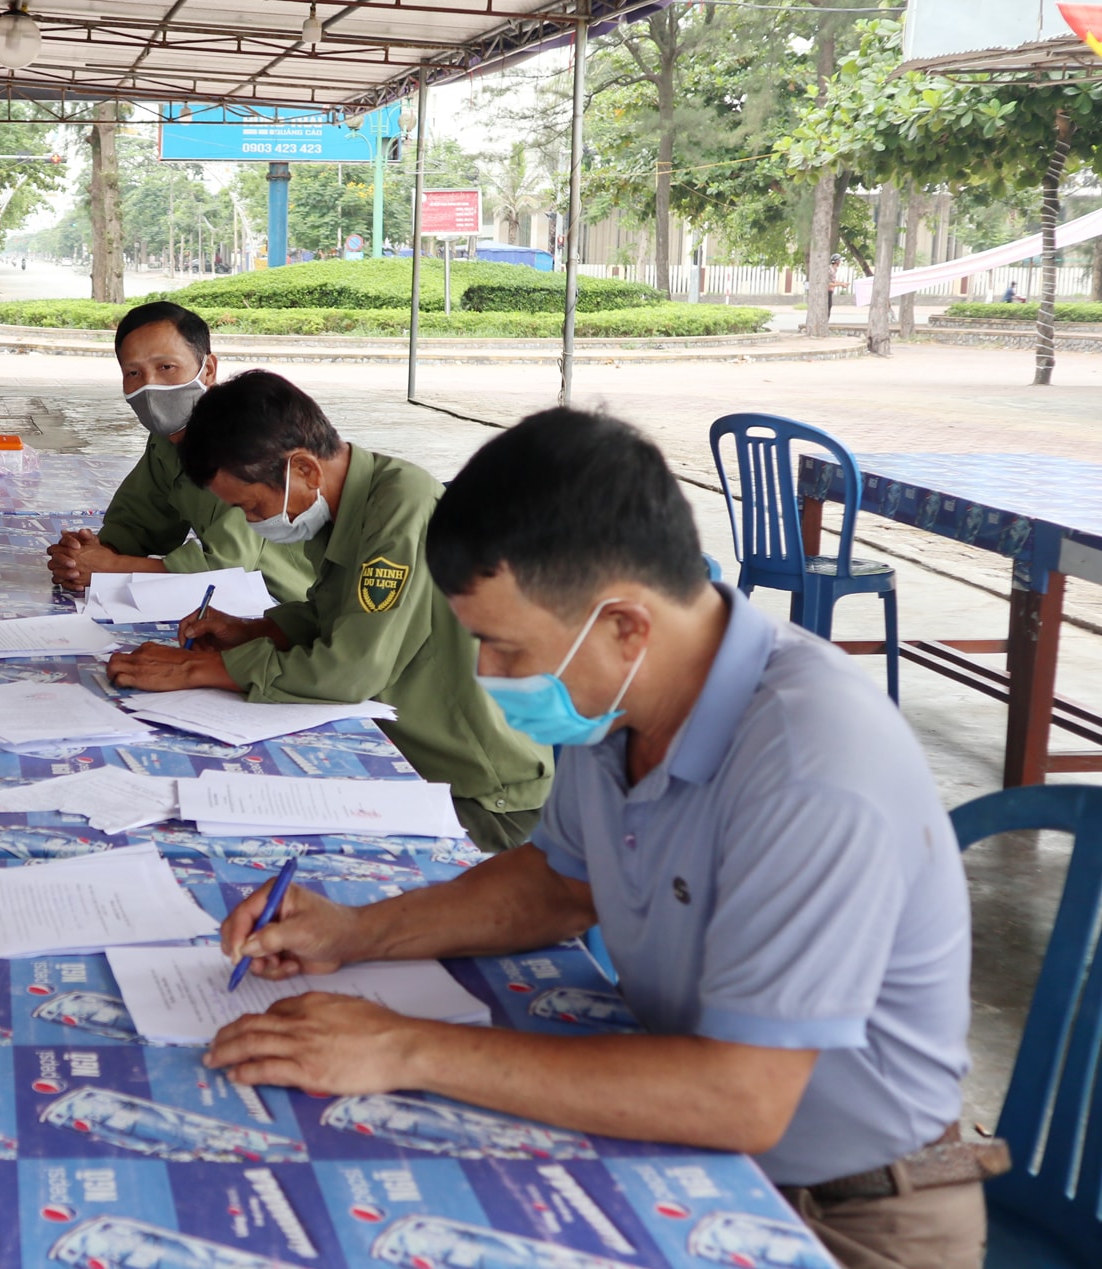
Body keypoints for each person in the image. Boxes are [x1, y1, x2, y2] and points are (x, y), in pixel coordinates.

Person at [204, 408, 999, 1269]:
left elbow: (741, 1096)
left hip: (842, 1212)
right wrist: (359, 931)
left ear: (627, 625)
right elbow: (558, 883)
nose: (489, 676)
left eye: (505, 649)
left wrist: (402, 1044)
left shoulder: (812, 761)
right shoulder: (617, 706)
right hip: (697, 1153)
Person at [106, 371, 551, 850]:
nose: (254, 525)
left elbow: (351, 670)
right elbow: (333, 617)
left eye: (253, 508)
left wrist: (199, 669)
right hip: (419, 761)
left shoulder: (402, 508)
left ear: (305, 471)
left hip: (483, 796)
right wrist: (256, 630)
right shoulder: (342, 507)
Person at [47, 303, 314, 605]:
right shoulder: (166, 442)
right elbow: (140, 522)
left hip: (303, 606)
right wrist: (82, 556)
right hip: (246, 604)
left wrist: (112, 567)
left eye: (166, 368)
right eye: (133, 372)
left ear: (209, 369)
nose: (150, 385)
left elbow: (225, 567)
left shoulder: (251, 441)